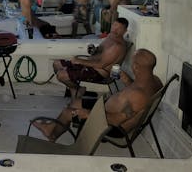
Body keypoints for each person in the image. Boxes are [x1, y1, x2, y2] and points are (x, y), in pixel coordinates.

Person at [33, 48, 162, 142]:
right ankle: (52, 129)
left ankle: (52, 133)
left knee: (69, 112)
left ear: (136, 67)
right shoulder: (154, 81)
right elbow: (135, 100)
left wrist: (87, 114)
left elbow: (118, 120)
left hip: (108, 125)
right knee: (75, 102)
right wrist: (127, 81)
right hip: (107, 110)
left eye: (133, 63)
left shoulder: (138, 96)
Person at [53, 17, 129, 96]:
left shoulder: (118, 46)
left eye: (119, 28)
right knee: (56, 63)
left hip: (98, 73)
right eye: (114, 26)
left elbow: (101, 64)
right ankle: (74, 86)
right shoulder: (110, 36)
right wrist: (94, 49)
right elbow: (100, 50)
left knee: (61, 75)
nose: (115, 30)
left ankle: (77, 89)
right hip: (89, 65)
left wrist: (79, 61)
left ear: (125, 31)